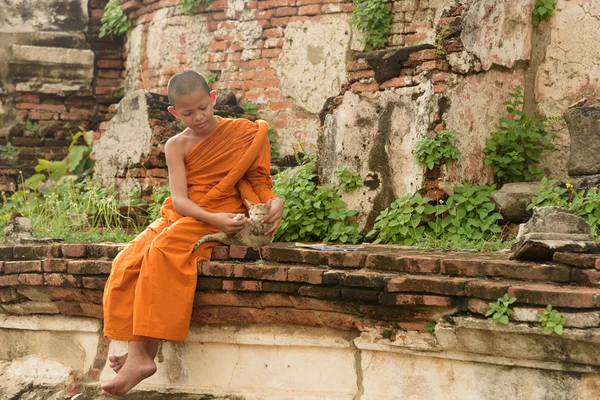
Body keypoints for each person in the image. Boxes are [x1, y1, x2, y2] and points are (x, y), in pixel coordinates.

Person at [100, 70, 284, 397]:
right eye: (187, 113)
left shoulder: (244, 133)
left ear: (212, 99)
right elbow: (181, 201)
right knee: (128, 259)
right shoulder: (176, 145)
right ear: (174, 113)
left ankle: (142, 356)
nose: (197, 117)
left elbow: (258, 181)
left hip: (229, 211)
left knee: (162, 251)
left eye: (203, 108)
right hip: (194, 213)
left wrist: (274, 201)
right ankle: (140, 349)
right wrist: (212, 219)